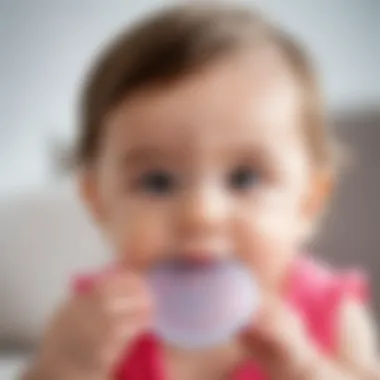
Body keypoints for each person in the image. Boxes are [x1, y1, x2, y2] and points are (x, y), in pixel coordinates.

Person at [21, 3, 379, 380]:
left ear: (308, 203)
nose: (200, 213)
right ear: (99, 202)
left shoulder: (330, 314)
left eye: (245, 179)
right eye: (157, 182)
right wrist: (64, 367)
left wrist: (306, 367)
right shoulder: (94, 322)